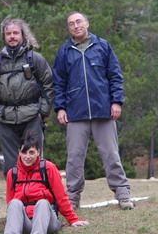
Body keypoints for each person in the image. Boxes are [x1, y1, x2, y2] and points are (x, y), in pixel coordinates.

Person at [52, 12, 134, 210]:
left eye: (79, 21)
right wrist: (60, 107)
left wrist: (116, 102)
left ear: (87, 23)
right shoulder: (64, 51)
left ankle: (123, 194)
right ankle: (72, 199)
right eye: (71, 24)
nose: (76, 26)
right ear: (68, 28)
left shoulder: (103, 46)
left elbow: (115, 76)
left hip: (103, 110)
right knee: (74, 158)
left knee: (111, 154)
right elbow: (58, 83)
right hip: (75, 112)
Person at [3, 135, 88, 234]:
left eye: (31, 152)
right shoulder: (12, 173)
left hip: (46, 222)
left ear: (38, 152)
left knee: (42, 202)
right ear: (19, 152)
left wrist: (73, 219)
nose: (27, 156)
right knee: (14, 203)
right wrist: (9, 233)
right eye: (24, 152)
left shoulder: (47, 168)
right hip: (25, 225)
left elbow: (61, 196)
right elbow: (10, 204)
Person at [0, 17, 54, 176]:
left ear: (23, 34)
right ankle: (14, 198)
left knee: (34, 160)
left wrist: (42, 113)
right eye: (8, 33)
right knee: (11, 165)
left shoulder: (35, 58)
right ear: (4, 37)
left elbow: (48, 85)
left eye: (16, 33)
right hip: (5, 119)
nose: (12, 36)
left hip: (32, 117)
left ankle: (37, 196)